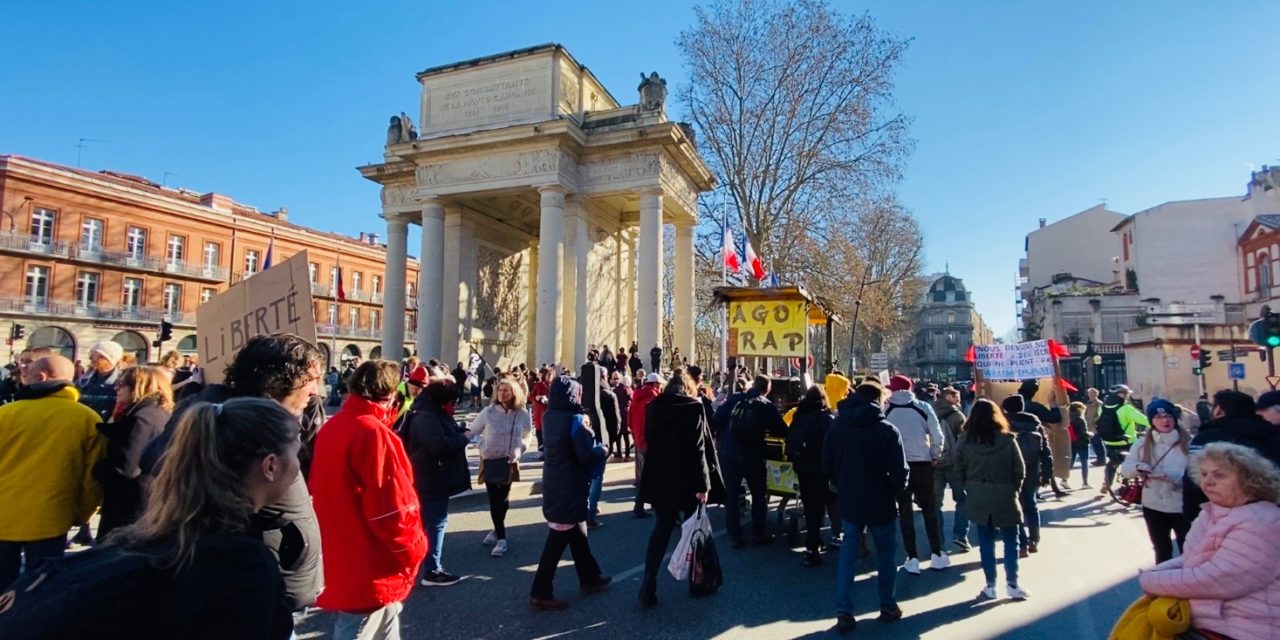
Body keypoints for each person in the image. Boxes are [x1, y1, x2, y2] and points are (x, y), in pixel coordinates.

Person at [0, 398, 302, 638]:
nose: (299, 461)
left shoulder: (134, 539)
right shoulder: (239, 564)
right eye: (295, 451)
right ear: (270, 466)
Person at [138, 334, 326, 611]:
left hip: (264, 585)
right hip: (244, 592)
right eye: (312, 379)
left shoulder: (251, 420)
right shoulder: (233, 429)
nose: (316, 391)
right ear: (284, 378)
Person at [310, 360, 427, 640]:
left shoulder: (334, 426)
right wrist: (415, 549)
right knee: (361, 623)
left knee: (380, 618)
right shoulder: (374, 434)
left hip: (341, 542)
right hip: (370, 552)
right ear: (388, 394)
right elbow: (394, 509)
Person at [1138, 442, 1280, 640]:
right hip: (1210, 622)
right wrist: (1158, 571)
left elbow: (1218, 579)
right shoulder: (1214, 511)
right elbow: (1192, 559)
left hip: (1244, 628)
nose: (1208, 481)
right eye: (1204, 474)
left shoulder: (1261, 521)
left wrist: (1151, 580)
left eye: (1219, 475)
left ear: (1249, 480)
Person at [0, 355, 105, 589]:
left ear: (42, 377)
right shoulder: (87, 419)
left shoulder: (5, 415)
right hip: (53, 517)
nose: (22, 379)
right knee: (40, 589)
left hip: (3, 517)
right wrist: (83, 514)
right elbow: (92, 479)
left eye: (26, 375)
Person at [824, 381, 910, 633]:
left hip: (849, 496)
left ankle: (844, 610)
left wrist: (839, 482)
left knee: (848, 554)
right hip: (880, 498)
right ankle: (887, 605)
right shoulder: (887, 429)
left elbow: (826, 460)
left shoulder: (837, 424)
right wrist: (894, 489)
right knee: (885, 554)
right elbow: (899, 471)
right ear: (878, 398)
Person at [638, 370, 721, 606]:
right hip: (687, 478)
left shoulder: (654, 406)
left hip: (662, 477)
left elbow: (650, 439)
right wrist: (704, 484)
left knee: (661, 530)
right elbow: (699, 449)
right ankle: (698, 580)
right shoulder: (693, 407)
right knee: (693, 532)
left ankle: (648, 583)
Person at [529, 375, 611, 610]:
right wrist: (602, 450)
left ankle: (590, 577)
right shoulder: (575, 419)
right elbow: (585, 453)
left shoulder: (549, 416)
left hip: (555, 481)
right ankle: (540, 591)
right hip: (570, 483)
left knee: (578, 532)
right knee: (557, 541)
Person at [401, 368, 470, 587]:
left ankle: (425, 565)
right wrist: (464, 438)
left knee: (428, 522)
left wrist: (460, 432)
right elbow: (438, 445)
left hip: (430, 475)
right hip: (431, 477)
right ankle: (432, 569)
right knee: (436, 522)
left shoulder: (429, 412)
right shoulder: (427, 416)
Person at [956, 399, 1030, 601]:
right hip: (1005, 492)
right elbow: (1019, 470)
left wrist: (968, 487)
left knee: (986, 541)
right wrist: (1012, 488)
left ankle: (991, 585)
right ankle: (1013, 584)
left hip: (977, 491)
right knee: (1010, 541)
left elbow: (958, 467)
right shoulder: (1007, 439)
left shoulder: (964, 439)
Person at [94, 366, 173, 541]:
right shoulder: (154, 413)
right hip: (143, 500)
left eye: (122, 384)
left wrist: (97, 468)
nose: (117, 388)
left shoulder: (142, 418)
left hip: (130, 505)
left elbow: (127, 468)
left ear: (139, 386)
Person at [883, 374, 948, 573]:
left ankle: (912, 558)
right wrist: (935, 455)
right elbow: (937, 435)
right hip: (922, 462)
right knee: (929, 508)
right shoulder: (923, 407)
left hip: (897, 465)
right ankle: (937, 553)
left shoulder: (886, 408)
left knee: (904, 512)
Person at [1182, 389, 1280, 521]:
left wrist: (1192, 514)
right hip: (1266, 513)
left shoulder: (1207, 438)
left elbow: (1193, 480)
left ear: (1219, 410)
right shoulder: (1270, 434)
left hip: (1218, 513)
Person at [713, 374, 787, 548]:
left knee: (731, 494)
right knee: (758, 494)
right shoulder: (766, 405)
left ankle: (735, 535)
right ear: (767, 390)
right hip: (753, 454)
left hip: (730, 453)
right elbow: (782, 430)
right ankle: (758, 533)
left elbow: (716, 419)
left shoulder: (735, 399)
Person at [1119, 399, 1190, 564]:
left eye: (1168, 416)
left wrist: (1172, 477)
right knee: (1161, 549)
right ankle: (1162, 587)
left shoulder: (1188, 442)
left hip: (1182, 505)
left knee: (1188, 550)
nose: (1164, 420)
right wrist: (1138, 467)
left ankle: (1188, 587)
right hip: (1153, 505)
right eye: (1158, 417)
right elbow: (1125, 469)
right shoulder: (1142, 444)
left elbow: (1199, 474)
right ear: (1151, 420)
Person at [470, 376, 532, 558]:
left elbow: (528, 434)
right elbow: (472, 432)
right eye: (500, 390)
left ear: (514, 392)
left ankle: (497, 529)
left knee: (503, 500)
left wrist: (521, 449)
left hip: (510, 461)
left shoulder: (522, 414)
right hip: (490, 460)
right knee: (494, 500)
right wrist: (482, 445)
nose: (503, 393)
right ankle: (501, 538)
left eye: (507, 390)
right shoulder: (488, 412)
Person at [786, 385, 837, 566]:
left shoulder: (798, 415)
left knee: (809, 505)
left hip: (802, 466)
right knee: (819, 506)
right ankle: (813, 546)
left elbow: (789, 437)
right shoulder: (826, 418)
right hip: (820, 468)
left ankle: (813, 541)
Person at [1001, 395, 1052, 557]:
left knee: (1014, 507)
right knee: (1031, 504)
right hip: (1032, 468)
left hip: (1009, 470)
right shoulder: (1035, 424)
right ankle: (1034, 540)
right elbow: (1046, 451)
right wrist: (1047, 473)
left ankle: (1022, 544)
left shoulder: (1002, 424)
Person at [932, 386, 970, 552]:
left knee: (935, 503)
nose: (959, 399)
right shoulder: (957, 416)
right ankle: (960, 535)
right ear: (947, 396)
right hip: (954, 464)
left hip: (934, 463)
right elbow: (963, 441)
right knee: (962, 500)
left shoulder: (929, 412)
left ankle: (937, 539)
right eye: (956, 396)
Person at [1098, 384, 1150, 494]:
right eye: (1126, 394)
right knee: (1132, 464)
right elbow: (1146, 421)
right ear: (1121, 395)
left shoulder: (1102, 407)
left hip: (1109, 441)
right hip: (1127, 441)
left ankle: (1106, 483)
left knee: (1113, 462)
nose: (1126, 397)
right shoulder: (1126, 408)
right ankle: (1125, 486)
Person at [629, 372, 663, 518]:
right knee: (652, 473)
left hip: (638, 438)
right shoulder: (655, 398)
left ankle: (647, 503)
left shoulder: (636, 397)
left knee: (643, 473)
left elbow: (630, 419)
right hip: (651, 440)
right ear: (655, 384)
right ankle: (642, 504)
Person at [78, 340, 125, 422]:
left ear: (109, 359)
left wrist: (84, 398)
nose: (91, 358)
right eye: (91, 354)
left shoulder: (122, 380)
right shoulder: (85, 379)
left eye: (97, 356)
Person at [1067, 402, 1092, 488]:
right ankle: (1085, 483)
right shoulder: (1080, 419)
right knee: (1084, 463)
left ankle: (1064, 480)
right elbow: (1082, 433)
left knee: (1071, 462)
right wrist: (1090, 434)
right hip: (1082, 443)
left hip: (1072, 443)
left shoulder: (1068, 418)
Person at [531, 367, 553, 458]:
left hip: (550, 412)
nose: (550, 377)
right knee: (539, 433)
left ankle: (548, 452)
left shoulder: (554, 385)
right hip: (539, 412)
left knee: (548, 434)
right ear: (545, 375)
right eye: (549, 375)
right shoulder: (539, 384)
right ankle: (540, 451)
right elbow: (531, 396)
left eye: (551, 375)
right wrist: (537, 398)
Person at [612, 371, 634, 461]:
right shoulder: (629, 390)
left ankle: (619, 454)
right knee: (626, 435)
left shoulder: (616, 390)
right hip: (626, 413)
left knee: (618, 435)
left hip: (618, 413)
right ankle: (627, 455)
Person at [1085, 387, 1106, 466]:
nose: (1090, 395)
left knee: (1098, 443)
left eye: (1091, 393)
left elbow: (1101, 415)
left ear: (1095, 394)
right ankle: (1099, 459)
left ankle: (1102, 460)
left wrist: (1094, 421)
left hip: (1095, 426)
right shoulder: (1088, 403)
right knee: (1094, 443)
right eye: (1089, 393)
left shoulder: (1099, 404)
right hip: (1089, 426)